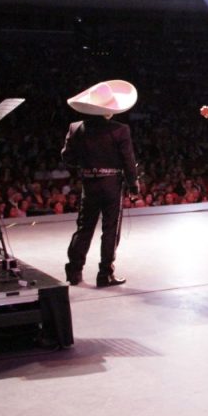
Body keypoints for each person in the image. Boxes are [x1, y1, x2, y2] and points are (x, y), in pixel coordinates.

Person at [62, 80, 139, 288]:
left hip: (89, 182)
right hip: (111, 183)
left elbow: (67, 157)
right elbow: (128, 161)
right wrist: (134, 186)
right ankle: (105, 274)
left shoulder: (76, 128)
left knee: (84, 227)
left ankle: (74, 272)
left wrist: (85, 165)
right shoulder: (120, 130)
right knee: (110, 230)